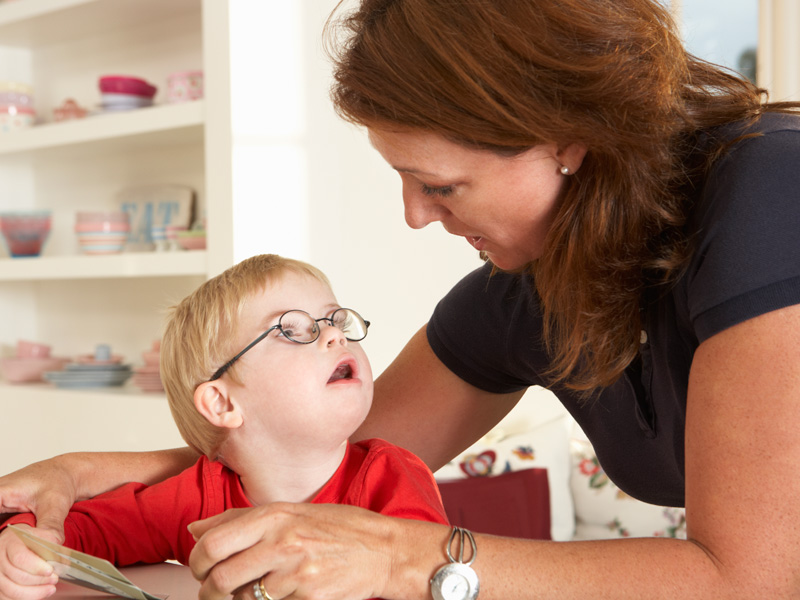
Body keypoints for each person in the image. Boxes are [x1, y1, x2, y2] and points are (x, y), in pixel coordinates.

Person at [2, 0, 800, 598]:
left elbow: (753, 578)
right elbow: (311, 450)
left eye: (441, 184)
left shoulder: (771, 196)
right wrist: (83, 471)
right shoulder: (525, 295)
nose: (417, 215)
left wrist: (396, 552)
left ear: (565, 136)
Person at [0, 254, 448, 600]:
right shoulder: (199, 495)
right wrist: (23, 551)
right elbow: (81, 533)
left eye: (334, 319)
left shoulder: (394, 478)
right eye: (292, 331)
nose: (335, 335)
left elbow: (426, 581)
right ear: (222, 402)